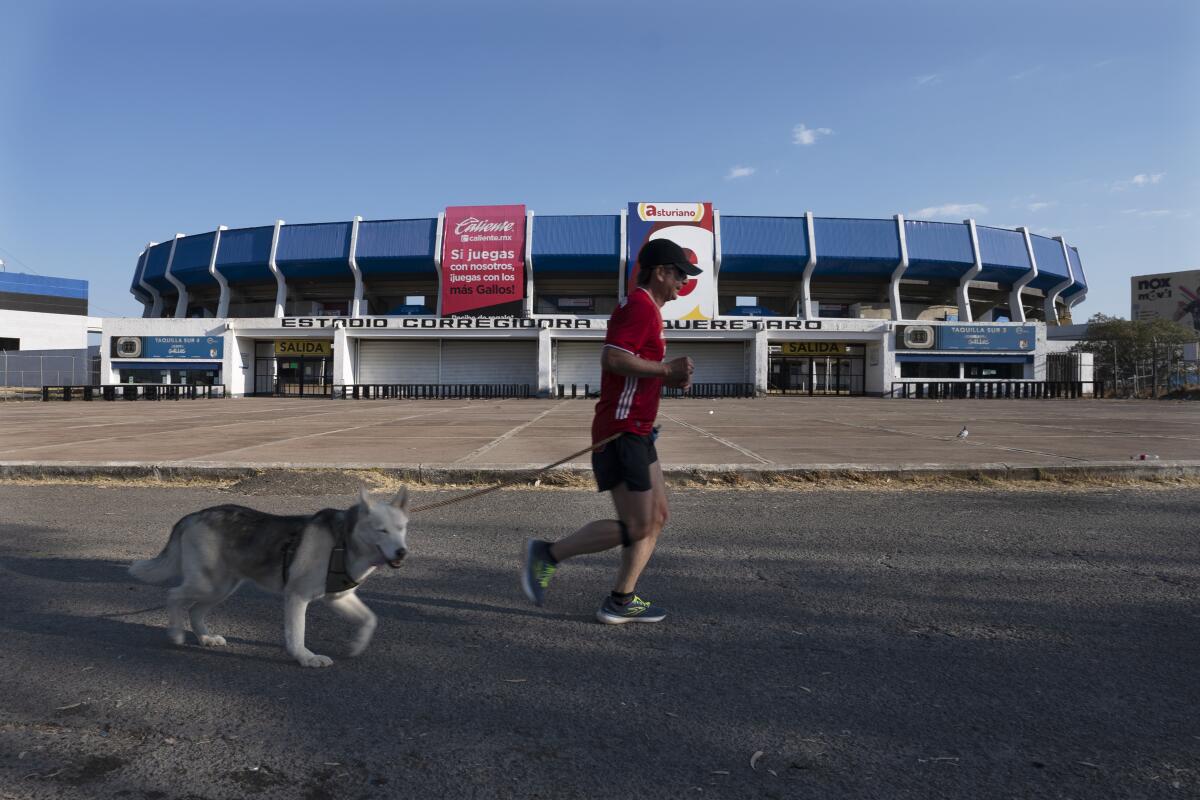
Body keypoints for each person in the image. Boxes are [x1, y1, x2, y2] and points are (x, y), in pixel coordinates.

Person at [521, 237, 700, 624]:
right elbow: (614, 358)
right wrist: (667, 370)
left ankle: (621, 600)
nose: (684, 282)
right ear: (661, 272)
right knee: (638, 524)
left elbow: (633, 366)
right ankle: (548, 554)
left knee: (657, 516)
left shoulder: (649, 310)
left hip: (640, 430)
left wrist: (665, 377)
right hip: (622, 432)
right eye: (680, 274)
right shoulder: (639, 307)